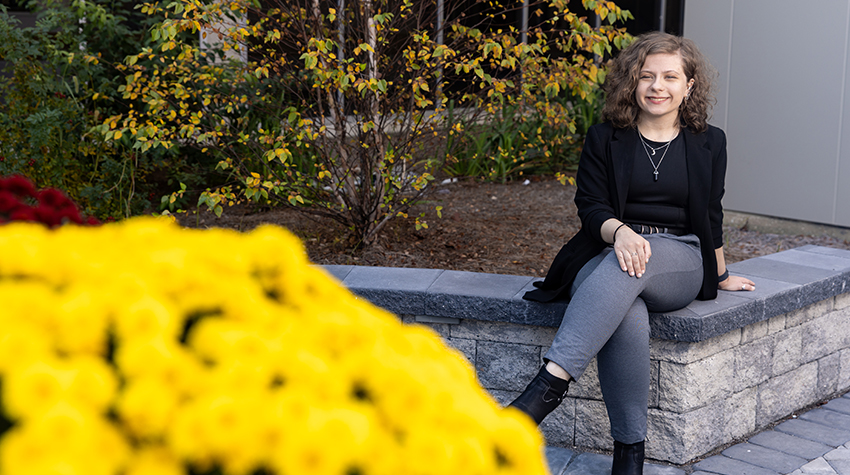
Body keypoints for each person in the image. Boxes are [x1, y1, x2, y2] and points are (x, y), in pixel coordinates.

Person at [510, 32, 756, 475]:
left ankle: (544, 390)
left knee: (630, 272)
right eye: (646, 76)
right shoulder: (606, 137)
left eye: (669, 76)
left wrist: (719, 275)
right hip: (607, 251)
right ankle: (630, 457)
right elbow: (590, 206)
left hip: (677, 256)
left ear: (689, 85)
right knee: (626, 310)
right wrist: (620, 232)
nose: (657, 86)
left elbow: (711, 213)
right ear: (632, 83)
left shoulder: (709, 141)